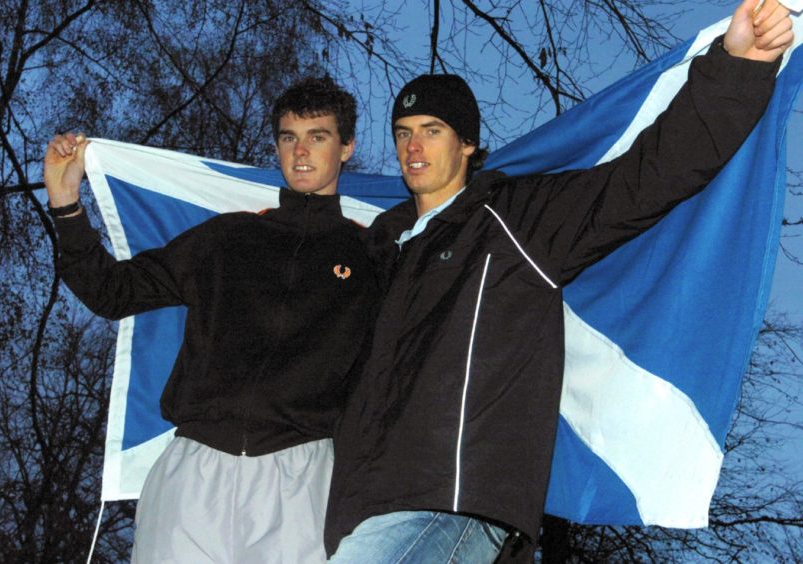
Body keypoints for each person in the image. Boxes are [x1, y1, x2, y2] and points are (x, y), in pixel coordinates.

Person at [324, 1, 795, 562]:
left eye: (432, 130)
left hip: (450, 502)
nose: (413, 147)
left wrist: (738, 67)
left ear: (467, 144)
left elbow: (647, 176)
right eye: (402, 133)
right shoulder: (378, 255)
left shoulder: (514, 220)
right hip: (360, 508)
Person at [43, 76, 378, 563]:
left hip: (303, 479)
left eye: (318, 137)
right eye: (289, 137)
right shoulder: (228, 238)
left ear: (346, 147)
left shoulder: (371, 258)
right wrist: (65, 202)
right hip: (194, 472)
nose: (301, 152)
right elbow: (111, 292)